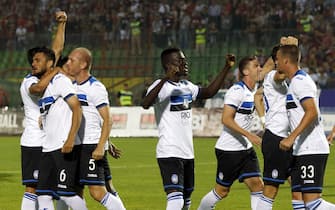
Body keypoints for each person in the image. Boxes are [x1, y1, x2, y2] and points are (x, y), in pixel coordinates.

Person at [142, 47, 235, 210]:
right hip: (169, 151)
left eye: (184, 60)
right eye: (180, 60)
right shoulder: (161, 85)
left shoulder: (187, 85)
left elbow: (208, 92)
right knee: (176, 200)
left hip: (187, 152)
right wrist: (165, 79)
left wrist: (226, 67)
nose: (185, 63)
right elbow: (145, 104)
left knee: (186, 202)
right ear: (169, 65)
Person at [197, 55, 263, 210]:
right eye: (256, 66)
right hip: (229, 151)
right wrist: (250, 135)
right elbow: (226, 119)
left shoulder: (252, 91)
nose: (259, 68)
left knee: (257, 186)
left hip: (245, 149)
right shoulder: (236, 91)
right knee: (222, 191)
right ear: (246, 71)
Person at [66, 47, 126, 210]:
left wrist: (101, 146)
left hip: (91, 145)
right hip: (77, 145)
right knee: (74, 191)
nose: (68, 63)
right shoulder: (70, 85)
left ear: (84, 64)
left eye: (72, 60)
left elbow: (107, 119)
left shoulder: (95, 87)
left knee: (97, 192)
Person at [277, 44, 335, 209]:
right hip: (299, 150)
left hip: (311, 149)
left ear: (286, 60)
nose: (276, 63)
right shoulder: (294, 82)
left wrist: (291, 137)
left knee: (312, 203)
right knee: (298, 202)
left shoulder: (301, 82)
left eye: (278, 59)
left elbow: (311, 112)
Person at [19, 11, 67, 210]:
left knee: (57, 188)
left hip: (51, 141)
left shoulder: (50, 77)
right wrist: (56, 69)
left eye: (39, 61)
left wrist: (62, 24)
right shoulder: (30, 81)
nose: (34, 64)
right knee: (33, 188)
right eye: (34, 61)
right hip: (34, 141)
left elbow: (57, 49)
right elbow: (37, 90)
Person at [255, 37, 305, 210]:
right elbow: (282, 73)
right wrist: (291, 48)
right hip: (276, 139)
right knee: (270, 190)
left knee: (298, 189)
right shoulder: (272, 77)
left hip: (289, 140)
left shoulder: (287, 84)